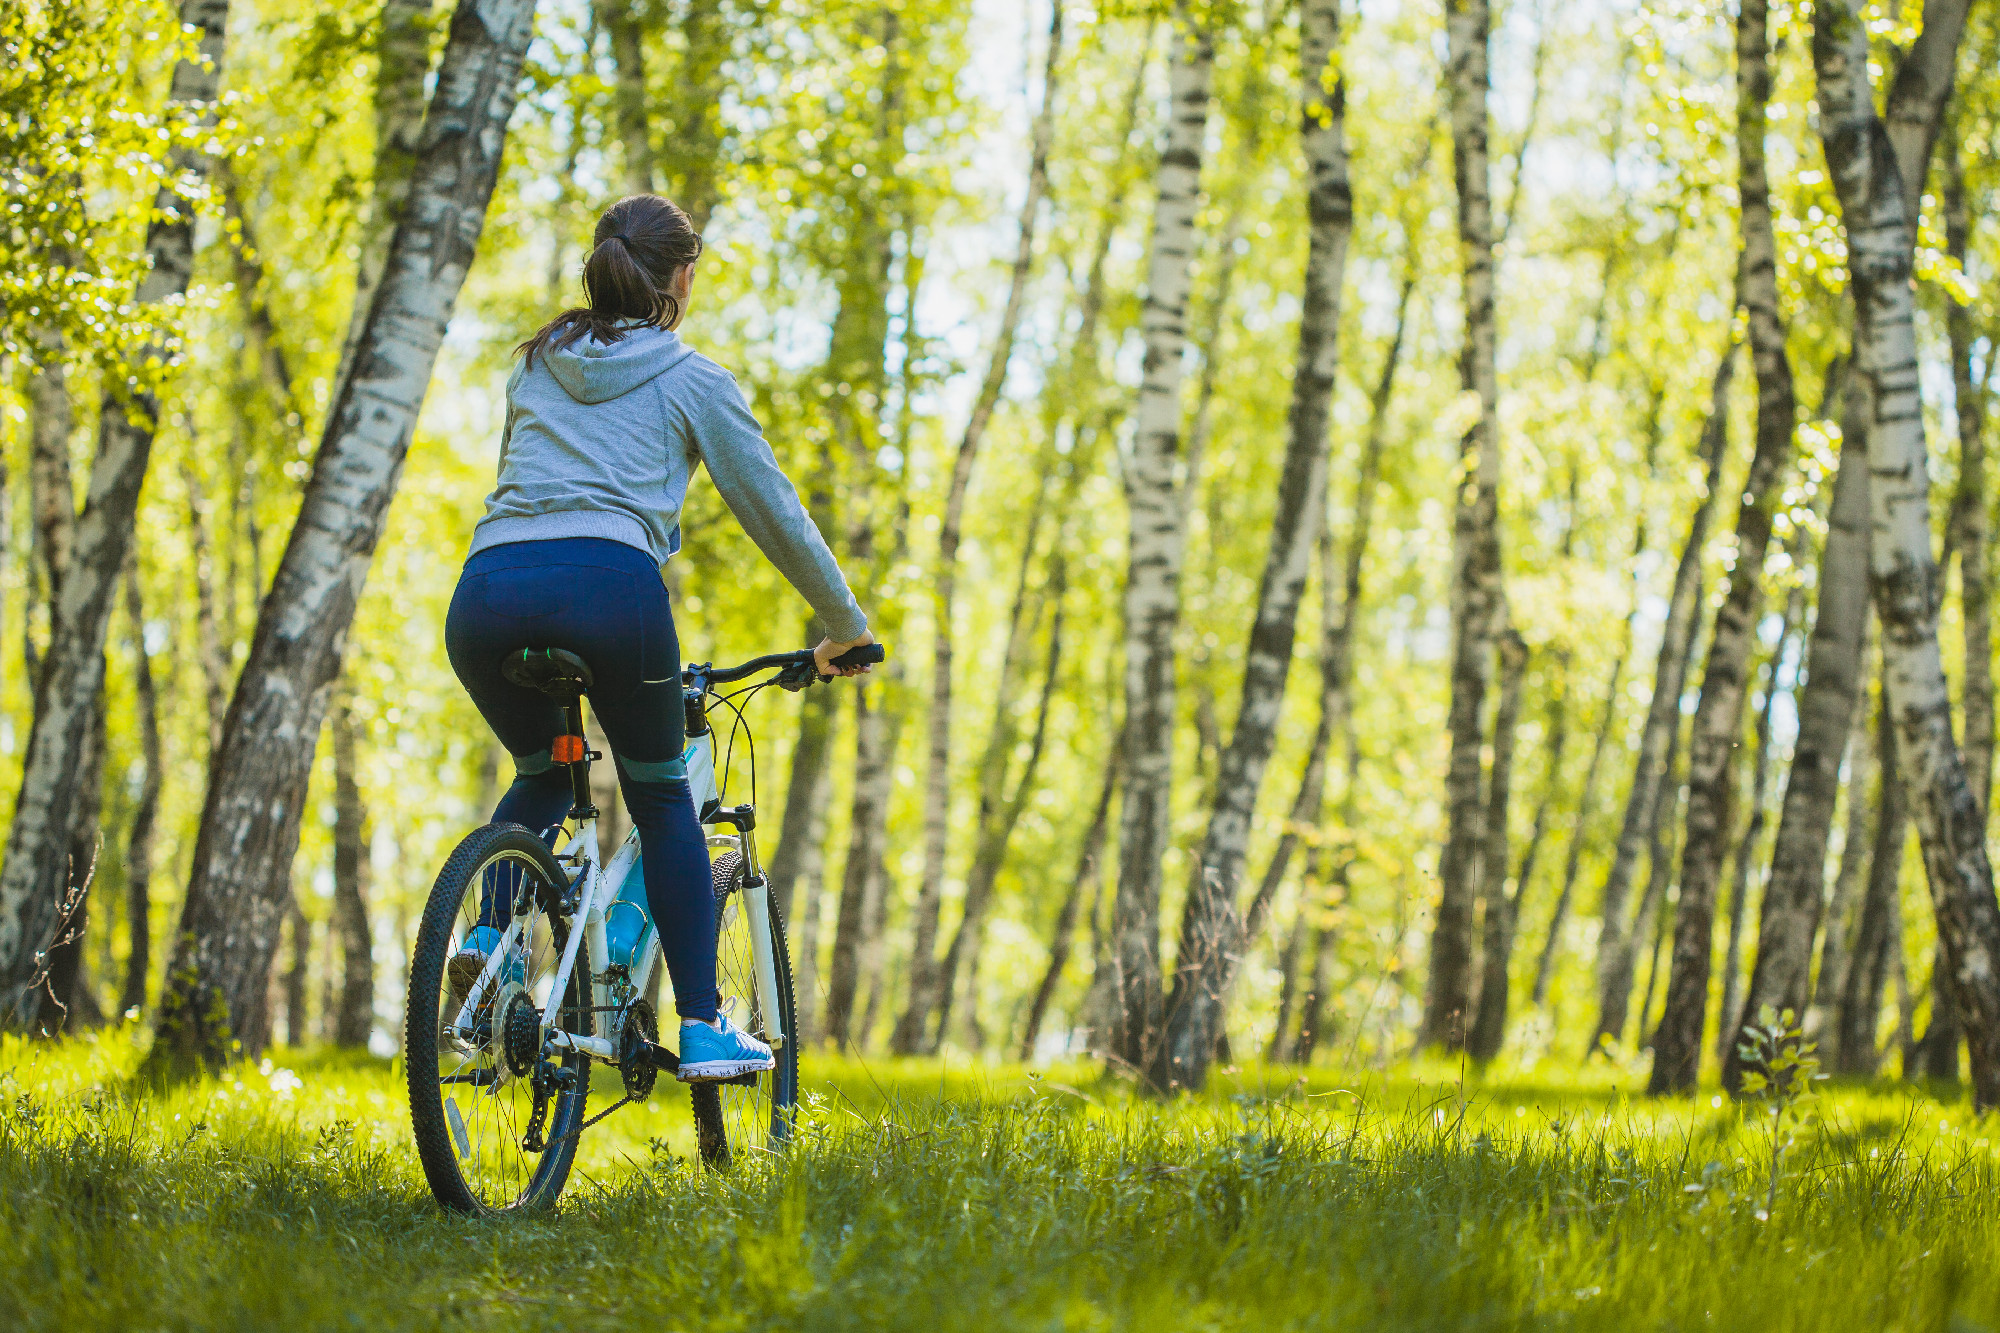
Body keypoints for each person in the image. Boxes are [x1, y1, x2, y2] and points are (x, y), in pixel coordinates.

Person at [443, 194, 874, 1081]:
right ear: (679, 279)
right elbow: (776, 512)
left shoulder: (536, 365)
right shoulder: (691, 379)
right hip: (611, 593)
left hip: (485, 594)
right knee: (662, 796)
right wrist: (844, 627)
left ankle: (487, 944)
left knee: (541, 770)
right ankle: (705, 1022)